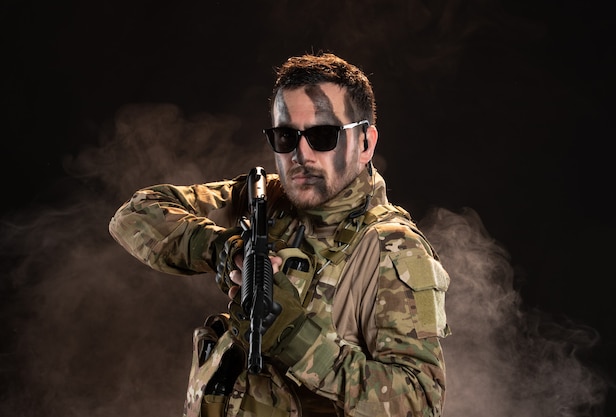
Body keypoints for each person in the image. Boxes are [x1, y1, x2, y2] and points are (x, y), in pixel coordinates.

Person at [109, 52, 451, 417]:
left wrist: (296, 337)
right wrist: (224, 250)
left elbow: (420, 401)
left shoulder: (394, 250)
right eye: (286, 136)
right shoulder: (265, 200)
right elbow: (135, 214)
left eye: (323, 135)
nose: (301, 154)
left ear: (365, 143)